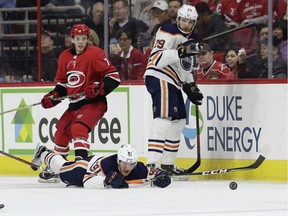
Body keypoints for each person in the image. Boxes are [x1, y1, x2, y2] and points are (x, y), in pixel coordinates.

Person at [38, 24, 121, 181]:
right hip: (74, 104)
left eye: (84, 39)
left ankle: (81, 166)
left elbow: (114, 77)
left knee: (78, 128)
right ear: (72, 39)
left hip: (94, 103)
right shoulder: (64, 57)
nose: (81, 42)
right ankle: (58, 168)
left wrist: (99, 89)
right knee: (61, 133)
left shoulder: (95, 54)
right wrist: (53, 96)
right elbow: (63, 85)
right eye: (78, 39)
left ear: (88, 39)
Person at [144, 4, 204, 175]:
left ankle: (168, 164)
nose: (186, 24)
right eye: (183, 20)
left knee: (179, 122)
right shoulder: (167, 30)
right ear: (178, 19)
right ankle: (152, 165)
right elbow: (156, 58)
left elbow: (185, 67)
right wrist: (181, 51)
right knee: (164, 117)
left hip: (175, 81)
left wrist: (190, 86)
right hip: (159, 75)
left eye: (189, 22)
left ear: (194, 23)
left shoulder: (194, 39)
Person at [31, 143, 171, 189]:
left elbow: (154, 172)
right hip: (84, 167)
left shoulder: (138, 168)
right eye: (124, 163)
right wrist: (105, 181)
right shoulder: (106, 165)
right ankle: (43, 152)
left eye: (131, 164)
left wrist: (162, 176)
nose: (128, 168)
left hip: (93, 171)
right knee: (62, 168)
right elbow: (86, 181)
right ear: (118, 161)